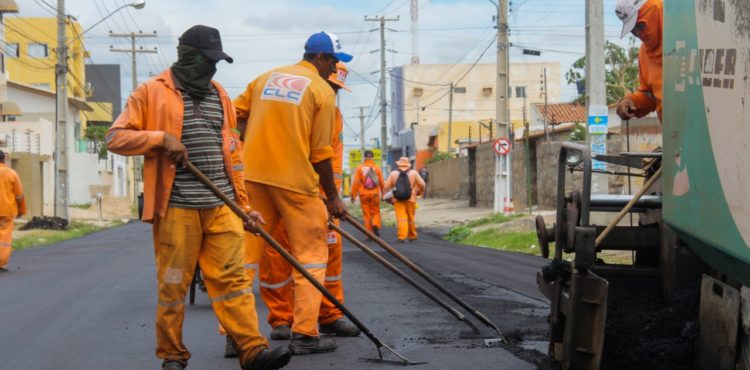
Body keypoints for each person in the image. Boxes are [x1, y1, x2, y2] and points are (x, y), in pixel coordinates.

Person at [106, 25, 290, 370]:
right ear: (189, 57)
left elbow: (233, 154)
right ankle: (172, 355)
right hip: (176, 207)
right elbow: (115, 138)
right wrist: (160, 138)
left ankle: (251, 350)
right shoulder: (151, 92)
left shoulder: (219, 93)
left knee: (233, 281)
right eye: (208, 61)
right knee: (174, 283)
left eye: (217, 62)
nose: (213, 68)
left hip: (221, 206)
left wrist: (245, 206)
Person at [234, 31, 352, 355]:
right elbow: (321, 155)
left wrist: (252, 141)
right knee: (312, 256)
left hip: (255, 179)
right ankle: (304, 335)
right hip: (296, 184)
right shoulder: (321, 92)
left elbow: (235, 116)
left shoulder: (264, 79)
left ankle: (236, 336)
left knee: (245, 258)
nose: (334, 67)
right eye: (333, 60)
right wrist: (332, 198)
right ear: (319, 57)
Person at [257, 62, 360, 347]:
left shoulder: (334, 115)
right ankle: (281, 318)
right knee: (276, 255)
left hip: (321, 198)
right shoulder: (291, 110)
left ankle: (328, 315)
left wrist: (331, 198)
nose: (334, 92)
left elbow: (332, 160)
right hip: (288, 192)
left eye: (338, 89)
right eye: (332, 86)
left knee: (327, 259)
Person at [615, 0, 663, 122]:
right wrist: (631, 101)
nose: (638, 34)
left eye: (641, 26)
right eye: (633, 30)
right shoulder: (644, 53)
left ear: (656, 12)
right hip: (676, 135)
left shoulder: (692, 36)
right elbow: (651, 96)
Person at [384, 157, 425, 243]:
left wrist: (384, 195)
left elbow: (386, 186)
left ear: (398, 164)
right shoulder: (413, 173)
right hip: (411, 198)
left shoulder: (393, 173)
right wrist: (420, 192)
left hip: (397, 199)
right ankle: (412, 236)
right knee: (410, 218)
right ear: (408, 164)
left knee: (401, 218)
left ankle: (402, 236)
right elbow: (422, 184)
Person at [0, 150, 26, 272]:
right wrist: (21, 211)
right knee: (4, 238)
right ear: (3, 159)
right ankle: (1, 263)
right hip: (5, 212)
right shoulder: (11, 173)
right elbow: (19, 195)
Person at [350, 150, 384, 236]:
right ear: (372, 157)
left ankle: (369, 233)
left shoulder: (360, 168)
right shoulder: (377, 168)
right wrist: (383, 194)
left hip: (363, 194)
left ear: (364, 157)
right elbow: (381, 182)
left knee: (366, 214)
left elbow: (356, 182)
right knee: (375, 212)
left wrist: (353, 195)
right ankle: (375, 224)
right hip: (375, 194)